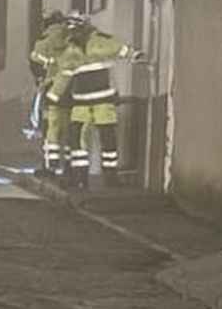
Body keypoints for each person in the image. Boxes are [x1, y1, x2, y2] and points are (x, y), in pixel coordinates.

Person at [47, 17, 141, 189]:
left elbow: (121, 48)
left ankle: (110, 178)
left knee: (107, 139)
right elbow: (63, 76)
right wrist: (52, 96)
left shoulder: (100, 42)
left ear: (85, 28)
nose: (74, 33)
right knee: (77, 140)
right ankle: (80, 178)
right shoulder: (71, 52)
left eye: (76, 29)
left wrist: (135, 55)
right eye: (71, 30)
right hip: (81, 103)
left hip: (102, 102)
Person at [27, 12, 70, 176]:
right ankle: (68, 168)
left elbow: (34, 63)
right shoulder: (71, 40)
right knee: (68, 129)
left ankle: (49, 166)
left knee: (49, 127)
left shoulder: (43, 43)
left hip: (51, 88)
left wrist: (40, 79)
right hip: (70, 90)